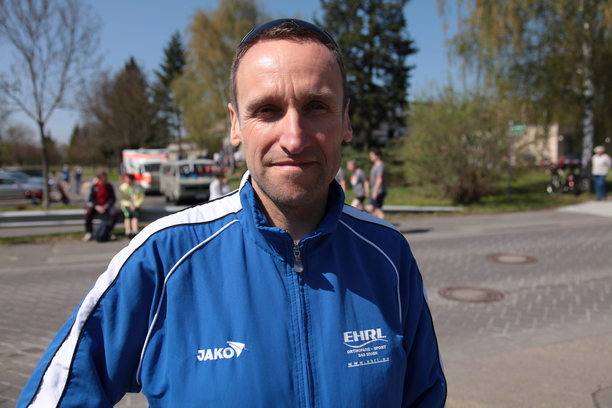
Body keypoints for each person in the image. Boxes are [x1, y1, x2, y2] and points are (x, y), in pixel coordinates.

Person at [17, 19, 446, 407]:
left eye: (316, 106)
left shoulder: (389, 254)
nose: (294, 138)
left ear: (345, 120)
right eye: (267, 110)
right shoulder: (162, 258)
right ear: (235, 125)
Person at [82, 171, 118, 242]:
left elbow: (113, 198)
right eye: (103, 179)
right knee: (88, 213)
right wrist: (96, 206)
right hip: (96, 206)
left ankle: (107, 231)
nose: (105, 180)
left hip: (106, 206)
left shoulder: (109, 186)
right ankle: (89, 232)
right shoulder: (94, 186)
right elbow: (90, 199)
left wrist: (107, 205)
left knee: (115, 213)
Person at [366, 148, 387, 219]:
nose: (371, 157)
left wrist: (375, 192)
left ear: (378, 156)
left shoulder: (380, 165)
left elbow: (379, 179)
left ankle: (381, 224)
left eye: (372, 155)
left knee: (371, 208)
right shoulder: (375, 165)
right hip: (376, 191)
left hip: (379, 191)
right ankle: (378, 222)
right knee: (376, 210)